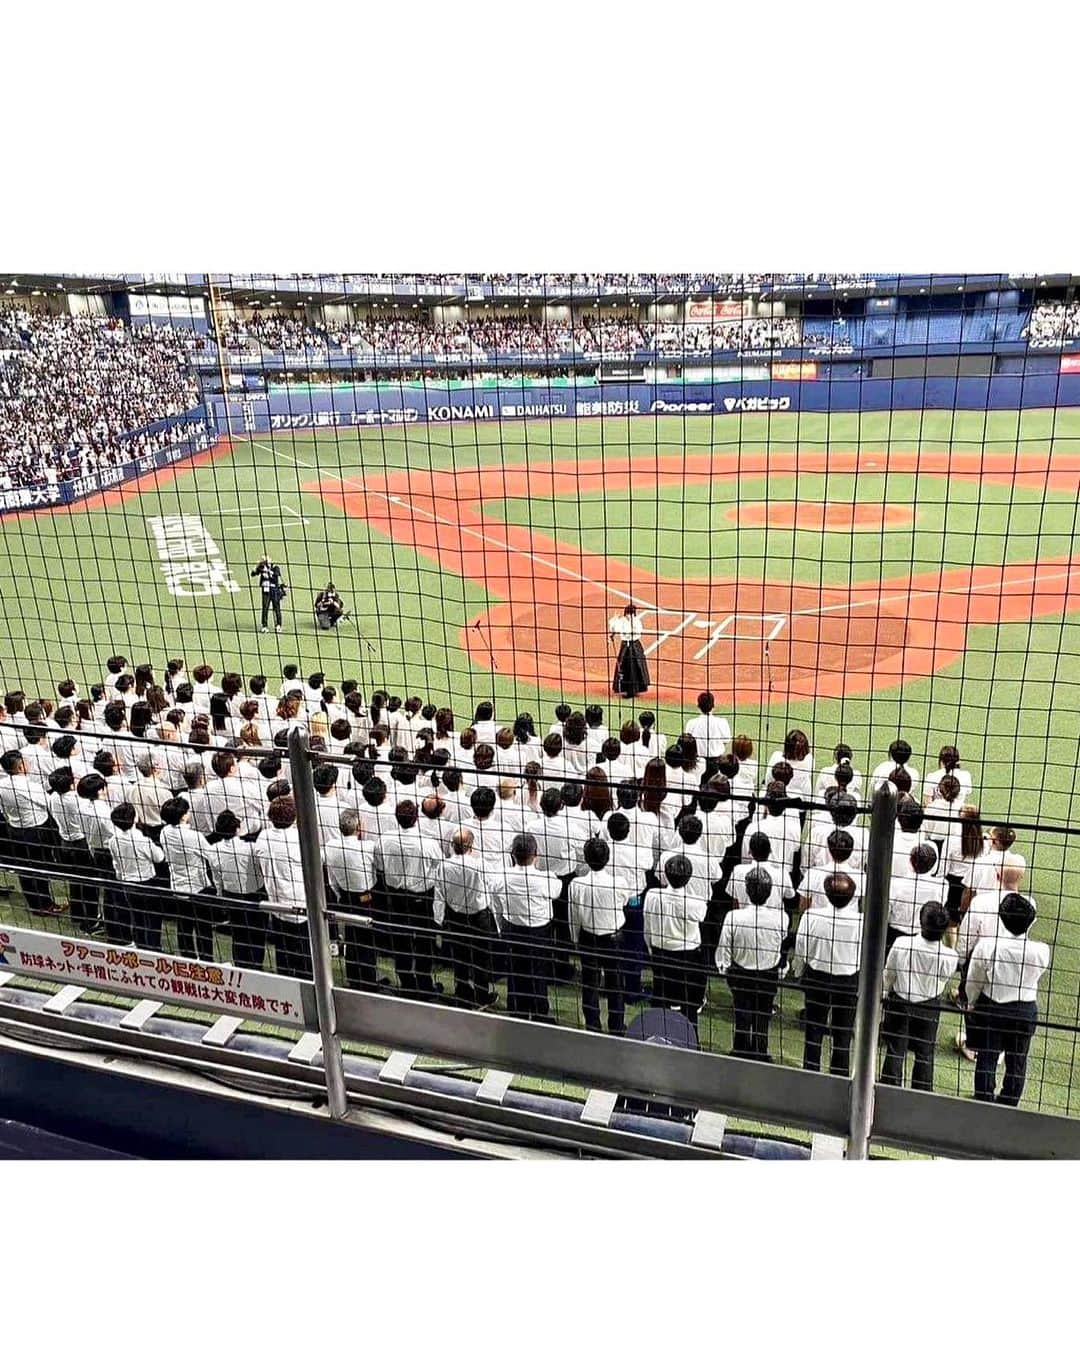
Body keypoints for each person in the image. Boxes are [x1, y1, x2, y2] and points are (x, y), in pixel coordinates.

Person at [965, 893, 1050, 1106]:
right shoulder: (1041, 951)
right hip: (1024, 1009)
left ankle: (983, 1099)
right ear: (1032, 921)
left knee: (987, 1057)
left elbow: (974, 979)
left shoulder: (987, 946)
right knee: (1017, 1060)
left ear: (1001, 918)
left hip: (993, 1006)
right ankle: (1010, 1102)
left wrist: (972, 1002)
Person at [880, 900, 958, 1091]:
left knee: (895, 1049)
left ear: (921, 922)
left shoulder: (902, 943)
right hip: (929, 1007)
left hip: (900, 1001)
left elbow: (889, 973)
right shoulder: (949, 956)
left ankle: (889, 1091)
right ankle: (923, 1095)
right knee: (925, 1053)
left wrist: (883, 994)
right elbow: (943, 978)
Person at [792, 872, 862, 1075]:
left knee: (813, 1031)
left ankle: (811, 1074)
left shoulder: (811, 916)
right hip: (848, 981)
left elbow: (801, 949)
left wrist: (799, 971)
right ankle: (839, 1076)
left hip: (817, 979)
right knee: (843, 1034)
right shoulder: (861, 921)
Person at [373, 799, 444, 997]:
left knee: (401, 939)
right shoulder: (427, 843)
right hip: (421, 898)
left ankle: (406, 982)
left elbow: (379, 865)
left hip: (396, 896)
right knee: (423, 942)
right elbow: (440, 868)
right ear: (416, 819)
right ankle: (424, 984)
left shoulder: (384, 840)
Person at [489, 833, 561, 1019]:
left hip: (512, 929)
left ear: (513, 854)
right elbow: (556, 892)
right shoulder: (547, 879)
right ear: (536, 855)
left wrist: (500, 926)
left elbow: (495, 903)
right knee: (538, 971)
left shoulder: (501, 877)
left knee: (515, 971)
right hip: (539, 932)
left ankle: (517, 1011)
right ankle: (539, 1013)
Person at [716, 867, 785, 1061]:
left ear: (746, 891)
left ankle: (740, 1051)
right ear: (770, 892)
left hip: (741, 974)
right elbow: (781, 945)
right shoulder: (781, 918)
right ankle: (760, 1052)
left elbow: (724, 945)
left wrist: (725, 968)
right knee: (762, 1017)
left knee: (742, 1015)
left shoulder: (733, 917)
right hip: (767, 975)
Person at [433, 828, 498, 1009]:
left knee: (460, 957)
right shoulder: (480, 865)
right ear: (472, 846)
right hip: (478, 918)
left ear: (453, 846)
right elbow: (492, 887)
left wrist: (438, 921)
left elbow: (439, 894)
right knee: (481, 958)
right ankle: (481, 995)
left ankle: (462, 992)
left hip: (455, 917)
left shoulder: (443, 866)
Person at [569, 836, 627, 1034]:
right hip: (612, 939)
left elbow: (573, 916)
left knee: (590, 983)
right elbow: (624, 903)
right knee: (615, 984)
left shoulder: (577, 884)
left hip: (589, 938)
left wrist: (575, 938)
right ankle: (617, 1027)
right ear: (608, 858)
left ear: (585, 858)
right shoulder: (619, 883)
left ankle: (593, 1025)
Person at [643, 853, 708, 1028]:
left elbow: (647, 926)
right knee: (688, 1005)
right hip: (687, 959)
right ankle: (690, 1041)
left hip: (661, 953)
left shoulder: (652, 896)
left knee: (661, 999)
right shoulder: (696, 903)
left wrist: (651, 948)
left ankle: (657, 1036)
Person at [252, 798, 312, 978]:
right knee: (304, 953)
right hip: (300, 904)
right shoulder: (299, 839)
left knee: (283, 949)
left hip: (276, 903)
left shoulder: (263, 836)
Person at [323, 808, 379, 991]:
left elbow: (331, 879)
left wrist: (340, 895)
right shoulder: (368, 847)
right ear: (359, 827)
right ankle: (369, 981)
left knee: (351, 936)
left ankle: (353, 977)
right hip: (365, 897)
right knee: (366, 939)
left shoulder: (330, 846)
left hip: (345, 896)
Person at [159, 795, 217, 961]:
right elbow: (212, 856)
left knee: (184, 926)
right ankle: (207, 961)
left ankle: (188, 959)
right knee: (203, 928)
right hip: (198, 887)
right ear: (183, 815)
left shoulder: (164, 833)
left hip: (178, 885)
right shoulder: (194, 836)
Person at [207, 810, 266, 970]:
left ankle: (241, 967)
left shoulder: (213, 850)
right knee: (256, 935)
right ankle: (256, 968)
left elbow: (217, 878)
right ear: (237, 828)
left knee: (238, 935)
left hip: (231, 895)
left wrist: (221, 897)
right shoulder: (251, 848)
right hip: (254, 896)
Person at [609, 602, 649, 698]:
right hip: (625, 647)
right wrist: (613, 624)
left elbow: (636, 632)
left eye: (631, 613)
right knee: (624, 667)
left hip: (634, 646)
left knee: (636, 667)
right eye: (628, 613)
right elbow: (614, 628)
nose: (629, 615)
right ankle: (625, 689)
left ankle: (635, 689)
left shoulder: (636, 622)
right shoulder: (622, 621)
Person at [251, 554, 287, 633]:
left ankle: (278, 625)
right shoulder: (261, 567)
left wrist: (266, 570)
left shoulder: (275, 568)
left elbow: (275, 576)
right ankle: (264, 625)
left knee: (276, 608)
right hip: (265, 590)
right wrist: (258, 566)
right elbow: (253, 574)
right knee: (265, 607)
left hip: (274, 590)